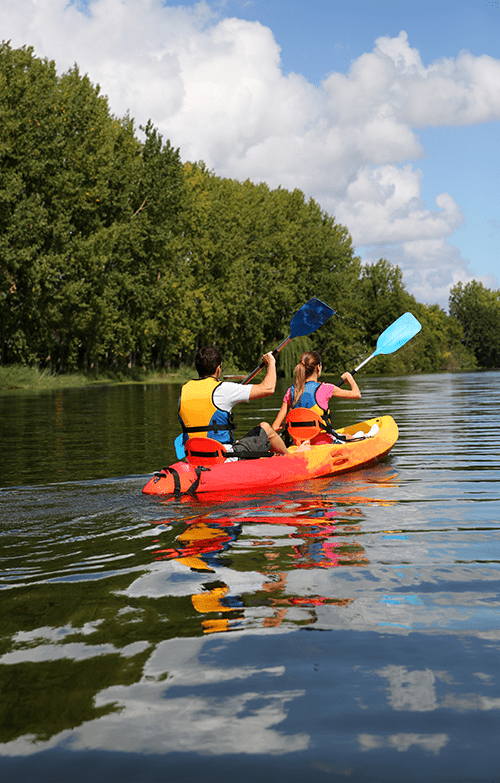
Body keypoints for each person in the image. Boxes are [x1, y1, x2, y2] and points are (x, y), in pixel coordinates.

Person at [178, 346, 299, 459]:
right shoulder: (224, 389)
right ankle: (291, 459)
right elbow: (269, 388)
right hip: (220, 456)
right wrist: (271, 363)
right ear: (218, 369)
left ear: (197, 369)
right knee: (265, 427)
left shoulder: (184, 391)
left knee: (236, 441)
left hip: (193, 456)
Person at [272, 350, 361, 444]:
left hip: (298, 444)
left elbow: (275, 427)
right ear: (318, 367)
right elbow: (356, 394)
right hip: (323, 443)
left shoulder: (291, 391)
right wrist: (349, 377)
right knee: (352, 437)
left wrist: (289, 425)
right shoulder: (326, 388)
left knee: (344, 435)